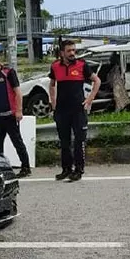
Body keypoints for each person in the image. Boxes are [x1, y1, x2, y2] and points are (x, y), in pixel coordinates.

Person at [49, 40, 101, 182]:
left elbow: (97, 81)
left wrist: (90, 99)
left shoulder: (82, 65)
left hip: (78, 109)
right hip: (62, 110)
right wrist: (53, 102)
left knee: (79, 141)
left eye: (73, 50)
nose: (72, 53)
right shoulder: (55, 66)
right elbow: (52, 84)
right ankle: (66, 169)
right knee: (64, 142)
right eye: (69, 51)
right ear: (62, 53)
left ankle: (78, 170)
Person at [0, 54, 32, 178]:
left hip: (10, 115)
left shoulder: (8, 73)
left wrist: (19, 110)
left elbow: (18, 93)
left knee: (17, 142)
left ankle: (25, 167)